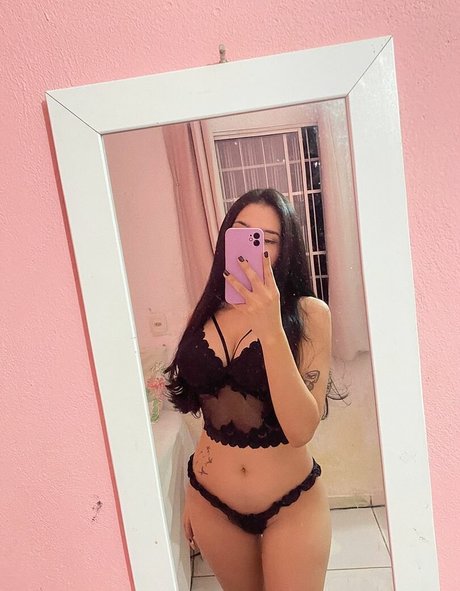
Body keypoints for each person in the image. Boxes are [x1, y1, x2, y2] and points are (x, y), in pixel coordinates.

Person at [165, 188, 333, 591]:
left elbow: (301, 429)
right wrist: (191, 491)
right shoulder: (202, 313)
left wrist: (270, 325)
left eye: (266, 240)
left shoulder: (309, 315)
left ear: (284, 251)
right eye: (241, 231)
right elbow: (207, 411)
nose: (250, 248)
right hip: (210, 501)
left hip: (291, 504)